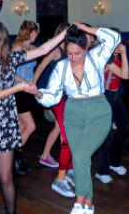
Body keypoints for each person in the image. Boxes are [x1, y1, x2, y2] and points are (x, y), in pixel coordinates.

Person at [0, 21, 67, 214]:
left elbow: (43, 48)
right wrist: (17, 88)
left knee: (6, 178)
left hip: (4, 121)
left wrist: (65, 33)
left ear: (1, 39)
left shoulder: (11, 58)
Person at [25, 23, 121, 214]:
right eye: (69, 53)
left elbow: (114, 38)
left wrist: (87, 29)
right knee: (80, 160)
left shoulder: (96, 57)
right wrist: (37, 94)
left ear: (86, 47)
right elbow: (52, 96)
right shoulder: (61, 67)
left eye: (77, 53)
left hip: (98, 111)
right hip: (73, 113)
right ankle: (88, 206)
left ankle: (78, 204)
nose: (73, 58)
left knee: (80, 155)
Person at [32, 23, 76, 197]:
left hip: (71, 98)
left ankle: (67, 169)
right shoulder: (56, 49)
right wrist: (33, 85)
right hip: (57, 98)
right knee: (66, 136)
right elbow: (41, 66)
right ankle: (60, 177)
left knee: (67, 134)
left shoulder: (72, 48)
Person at [95, 29, 129, 184]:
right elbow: (124, 75)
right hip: (105, 96)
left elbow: (125, 74)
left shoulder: (114, 54)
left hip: (115, 96)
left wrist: (122, 54)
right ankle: (101, 171)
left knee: (124, 130)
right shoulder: (105, 55)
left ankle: (114, 162)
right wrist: (122, 55)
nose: (120, 43)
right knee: (107, 135)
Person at [11, 21, 40, 175]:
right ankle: (12, 159)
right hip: (17, 91)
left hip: (26, 91)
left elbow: (42, 58)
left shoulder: (32, 48)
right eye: (36, 32)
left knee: (21, 128)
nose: (37, 35)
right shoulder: (18, 48)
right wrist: (25, 83)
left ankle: (16, 161)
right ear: (31, 32)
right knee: (31, 127)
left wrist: (32, 83)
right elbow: (9, 72)